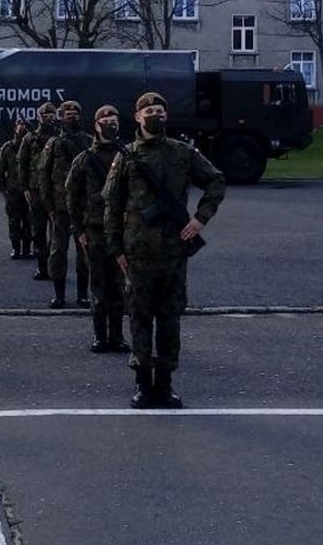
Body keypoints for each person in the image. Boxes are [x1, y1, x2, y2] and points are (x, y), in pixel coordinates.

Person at [104, 92, 225, 409]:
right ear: (137, 116)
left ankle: (166, 384)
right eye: (149, 111)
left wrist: (200, 219)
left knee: (170, 319)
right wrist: (115, 247)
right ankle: (143, 384)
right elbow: (111, 207)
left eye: (160, 110)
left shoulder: (182, 153)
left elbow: (215, 182)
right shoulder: (126, 156)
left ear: (166, 117)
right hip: (137, 253)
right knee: (140, 318)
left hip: (174, 252)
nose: (155, 115)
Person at [67, 105, 128, 352]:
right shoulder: (84, 160)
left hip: (122, 230)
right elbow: (72, 196)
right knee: (99, 285)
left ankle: (117, 336)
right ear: (96, 125)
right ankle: (100, 336)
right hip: (94, 230)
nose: (110, 124)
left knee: (119, 285)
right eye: (106, 120)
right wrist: (78, 230)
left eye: (114, 120)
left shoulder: (128, 156)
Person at [40, 100, 93, 308]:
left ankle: (82, 294)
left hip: (83, 207)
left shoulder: (89, 141)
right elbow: (44, 176)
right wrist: (48, 206)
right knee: (58, 251)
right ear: (60, 118)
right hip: (60, 208)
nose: (73, 117)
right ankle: (59, 294)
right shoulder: (53, 144)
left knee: (84, 252)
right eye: (68, 114)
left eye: (76, 114)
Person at [17, 102, 59, 280]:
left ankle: (55, 267)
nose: (49, 118)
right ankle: (42, 268)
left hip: (57, 190)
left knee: (57, 232)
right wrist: (25, 187)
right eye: (45, 116)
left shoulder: (60, 136)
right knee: (39, 231)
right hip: (35, 191)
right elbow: (22, 164)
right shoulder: (30, 138)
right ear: (39, 117)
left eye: (52, 115)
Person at [0, 119, 32, 259]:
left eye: (25, 125)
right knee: (14, 221)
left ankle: (27, 249)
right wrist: (4, 189)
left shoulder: (32, 145)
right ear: (15, 128)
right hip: (13, 191)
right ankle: (16, 249)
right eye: (19, 125)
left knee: (29, 221)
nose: (22, 128)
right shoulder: (8, 147)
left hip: (28, 190)